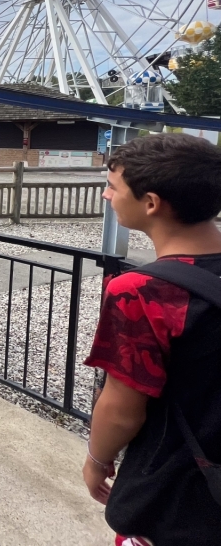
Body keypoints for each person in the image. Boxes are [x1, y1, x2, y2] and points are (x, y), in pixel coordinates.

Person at [82, 133, 221, 546]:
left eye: (113, 186)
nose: (107, 195)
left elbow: (123, 409)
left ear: (151, 203)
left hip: (180, 491)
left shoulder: (142, 291)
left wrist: (96, 460)